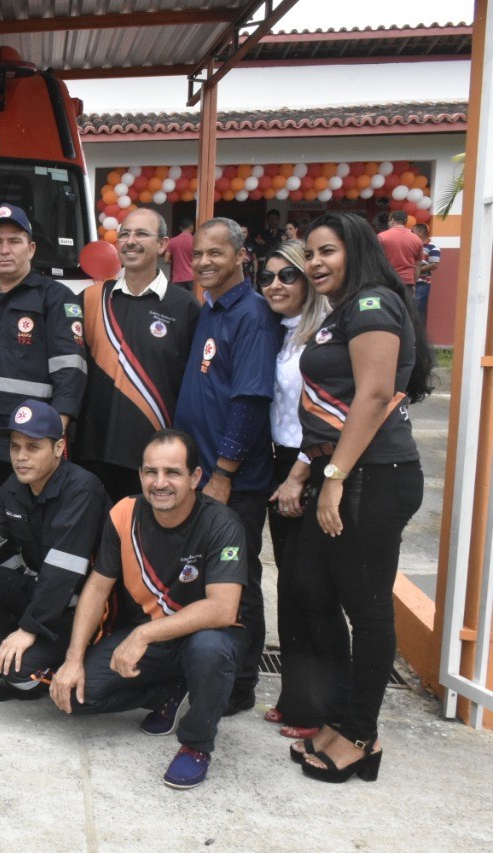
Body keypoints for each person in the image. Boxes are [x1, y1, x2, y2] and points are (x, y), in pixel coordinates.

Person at [288, 211, 431, 783]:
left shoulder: (372, 304)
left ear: (359, 252)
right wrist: (310, 470)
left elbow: (373, 395)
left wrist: (336, 477)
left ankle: (361, 737)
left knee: (367, 610)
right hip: (347, 471)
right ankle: (341, 717)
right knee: (312, 589)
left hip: (373, 475)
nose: (316, 263)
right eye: (311, 254)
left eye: (328, 252)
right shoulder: (346, 308)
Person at [50, 429, 249, 790]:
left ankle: (196, 745)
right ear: (140, 475)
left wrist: (143, 634)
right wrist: (74, 657)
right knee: (76, 697)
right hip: (157, 640)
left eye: (173, 472)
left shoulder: (221, 523)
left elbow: (223, 608)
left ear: (195, 478)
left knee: (209, 649)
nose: (160, 483)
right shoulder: (124, 513)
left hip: (206, 637)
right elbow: (98, 585)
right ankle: (168, 691)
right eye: (150, 472)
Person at [173, 216, 280, 717]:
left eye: (216, 253)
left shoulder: (252, 314)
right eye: (197, 254)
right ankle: (206, 671)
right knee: (203, 579)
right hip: (201, 478)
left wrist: (222, 473)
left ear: (243, 257)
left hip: (232, 483)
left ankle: (238, 686)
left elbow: (251, 400)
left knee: (237, 583)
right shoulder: (210, 309)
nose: (204, 262)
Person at [0, 400, 107, 703]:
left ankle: (22, 671)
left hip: (76, 609)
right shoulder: (15, 485)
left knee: (23, 672)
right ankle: (7, 656)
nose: (21, 457)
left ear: (58, 447)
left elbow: (62, 575)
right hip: (40, 595)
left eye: (33, 447)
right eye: (15, 447)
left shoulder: (82, 489)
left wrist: (28, 629)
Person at [0, 203, 87, 516]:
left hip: (31, 443)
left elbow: (70, 371)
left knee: (33, 522)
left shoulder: (56, 297)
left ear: (31, 248)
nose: (4, 250)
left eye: (14, 241)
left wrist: (54, 435)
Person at [78, 208, 200, 503]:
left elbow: (193, 386)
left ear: (162, 244)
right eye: (124, 234)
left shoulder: (184, 307)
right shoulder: (91, 298)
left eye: (141, 234)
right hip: (91, 451)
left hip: (151, 457)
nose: (130, 241)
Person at [259, 241, 329, 740]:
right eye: (269, 277)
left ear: (308, 281)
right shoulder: (284, 333)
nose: (276, 285)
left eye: (289, 276)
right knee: (289, 582)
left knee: (312, 587)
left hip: (313, 464)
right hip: (283, 460)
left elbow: (332, 416)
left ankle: (319, 706)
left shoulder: (324, 337)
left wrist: (299, 475)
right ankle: (296, 695)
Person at [377, 210, 425, 290]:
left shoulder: (381, 237)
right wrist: (413, 283)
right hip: (407, 281)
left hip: (388, 280)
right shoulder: (417, 239)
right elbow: (418, 265)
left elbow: (376, 260)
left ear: (392, 220)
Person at [413, 223, 439, 327]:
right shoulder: (412, 244)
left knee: (419, 311)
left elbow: (435, 265)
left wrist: (417, 270)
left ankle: (419, 338)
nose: (411, 233)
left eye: (413, 231)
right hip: (409, 282)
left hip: (422, 284)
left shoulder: (433, 247)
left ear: (420, 233)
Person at [163, 219, 195, 291]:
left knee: (179, 300)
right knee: (192, 299)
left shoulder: (172, 241)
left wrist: (176, 260)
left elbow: (166, 260)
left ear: (180, 228)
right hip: (192, 277)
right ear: (191, 228)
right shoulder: (195, 241)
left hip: (177, 278)